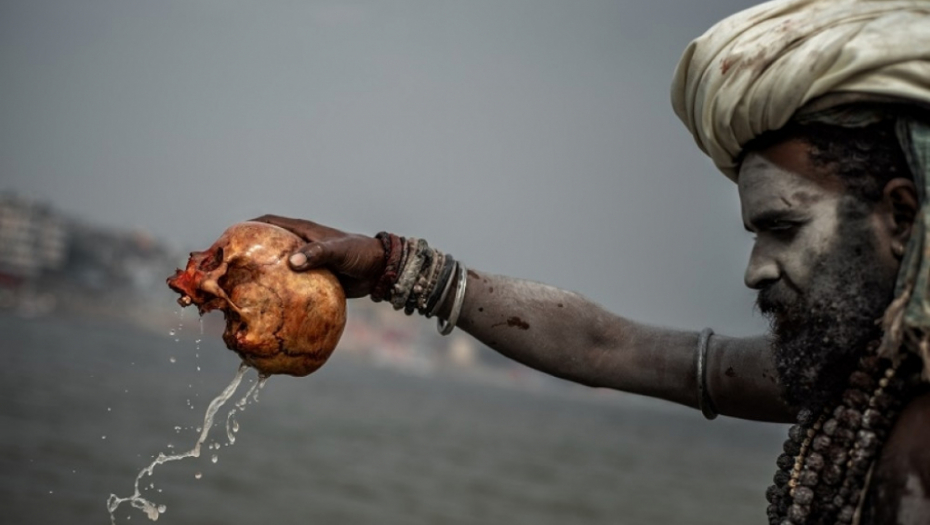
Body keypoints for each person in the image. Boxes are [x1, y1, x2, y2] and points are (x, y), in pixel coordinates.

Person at [254, 1, 930, 523]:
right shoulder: (857, 378)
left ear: (900, 214)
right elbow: (610, 345)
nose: (756, 268)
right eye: (756, 233)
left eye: (783, 227)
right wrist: (392, 268)